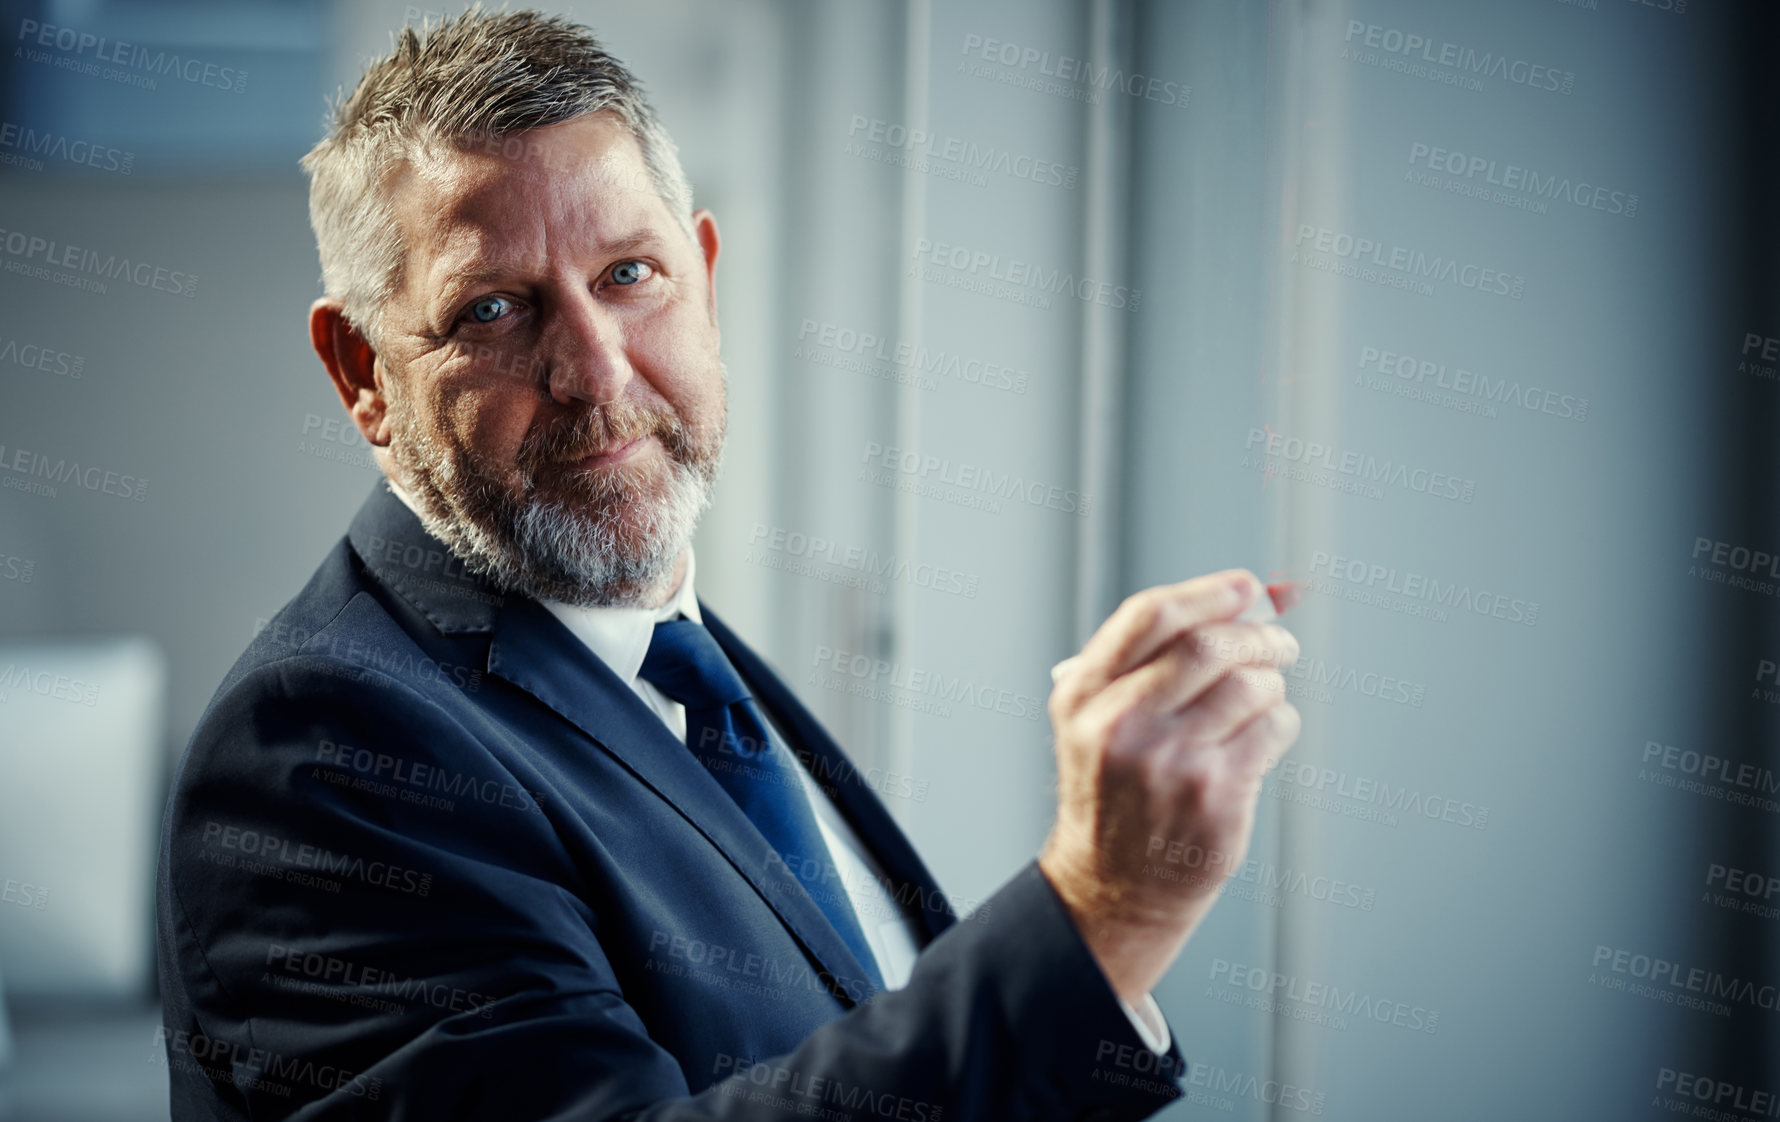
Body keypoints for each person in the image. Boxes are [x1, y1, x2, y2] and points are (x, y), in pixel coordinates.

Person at [155, 10, 1302, 1120]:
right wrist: (1098, 918)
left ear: (703, 274)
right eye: (494, 310)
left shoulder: (680, 663)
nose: (596, 372)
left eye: (628, 275)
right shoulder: (325, 746)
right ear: (361, 372)